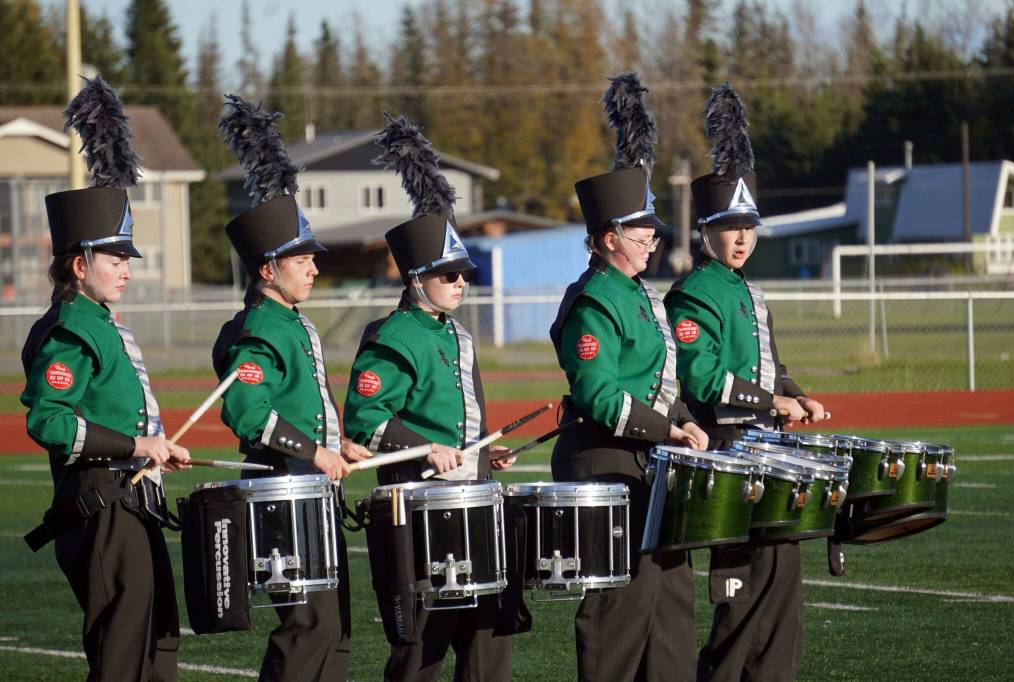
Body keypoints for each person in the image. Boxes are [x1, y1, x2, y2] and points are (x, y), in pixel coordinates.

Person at [343, 114, 524, 682]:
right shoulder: (392, 338)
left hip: (471, 497)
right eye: (448, 276)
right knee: (424, 643)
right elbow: (365, 421)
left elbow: (461, 425)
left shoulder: (456, 334)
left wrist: (478, 455)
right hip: (420, 510)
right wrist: (426, 449)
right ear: (417, 279)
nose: (461, 284)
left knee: (489, 635)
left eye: (463, 274)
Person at [20, 76, 190, 681]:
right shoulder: (71, 325)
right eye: (115, 259)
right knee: (122, 659)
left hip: (133, 499)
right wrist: (135, 446)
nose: (126, 271)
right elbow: (49, 419)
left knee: (158, 648)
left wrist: (155, 448)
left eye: (126, 259)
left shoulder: (102, 322)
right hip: (100, 506)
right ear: (78, 262)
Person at [663, 83, 829, 682]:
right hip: (729, 461)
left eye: (749, 227)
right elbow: (702, 376)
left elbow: (771, 368)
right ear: (705, 231)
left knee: (783, 602)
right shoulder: (691, 293)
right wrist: (770, 400)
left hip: (769, 456)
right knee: (741, 607)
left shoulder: (750, 293)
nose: (741, 238)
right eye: (729, 227)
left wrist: (798, 395)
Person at [548, 73, 708, 682]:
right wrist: (668, 430)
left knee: (671, 610)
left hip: (649, 463)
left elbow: (663, 382)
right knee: (619, 615)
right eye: (640, 234)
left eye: (652, 233)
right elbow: (598, 392)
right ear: (608, 238)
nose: (652, 242)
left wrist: (687, 421)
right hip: (606, 462)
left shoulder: (641, 294)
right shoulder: (595, 299)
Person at [213, 95, 371, 681]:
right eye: (300, 258)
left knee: (333, 632)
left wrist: (340, 441)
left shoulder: (293, 322)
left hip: (312, 490)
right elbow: (249, 414)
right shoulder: (257, 329)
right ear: (266, 269)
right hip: (283, 492)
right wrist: (315, 451)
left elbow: (305, 408)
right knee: (307, 629)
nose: (313, 268)